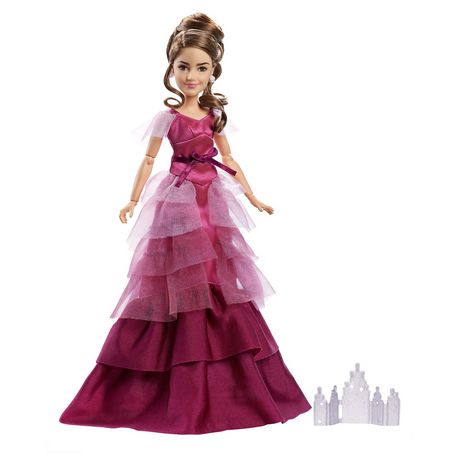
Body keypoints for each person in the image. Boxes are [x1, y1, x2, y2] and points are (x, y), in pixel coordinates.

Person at [59, 12, 312, 435]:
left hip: (211, 200)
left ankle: (228, 373)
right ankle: (164, 367)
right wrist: (133, 199)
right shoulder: (167, 118)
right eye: (183, 67)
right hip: (178, 200)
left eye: (201, 68)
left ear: (213, 71)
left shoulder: (214, 115)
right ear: (171, 68)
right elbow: (148, 160)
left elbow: (229, 158)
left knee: (216, 275)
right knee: (174, 277)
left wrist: (252, 195)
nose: (191, 76)